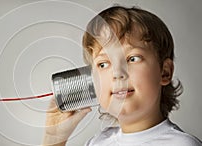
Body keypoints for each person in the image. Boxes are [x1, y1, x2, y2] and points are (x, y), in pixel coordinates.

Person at [42, 5, 202, 146]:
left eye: (132, 59)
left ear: (165, 72)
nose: (118, 73)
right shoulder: (97, 142)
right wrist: (54, 139)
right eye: (103, 64)